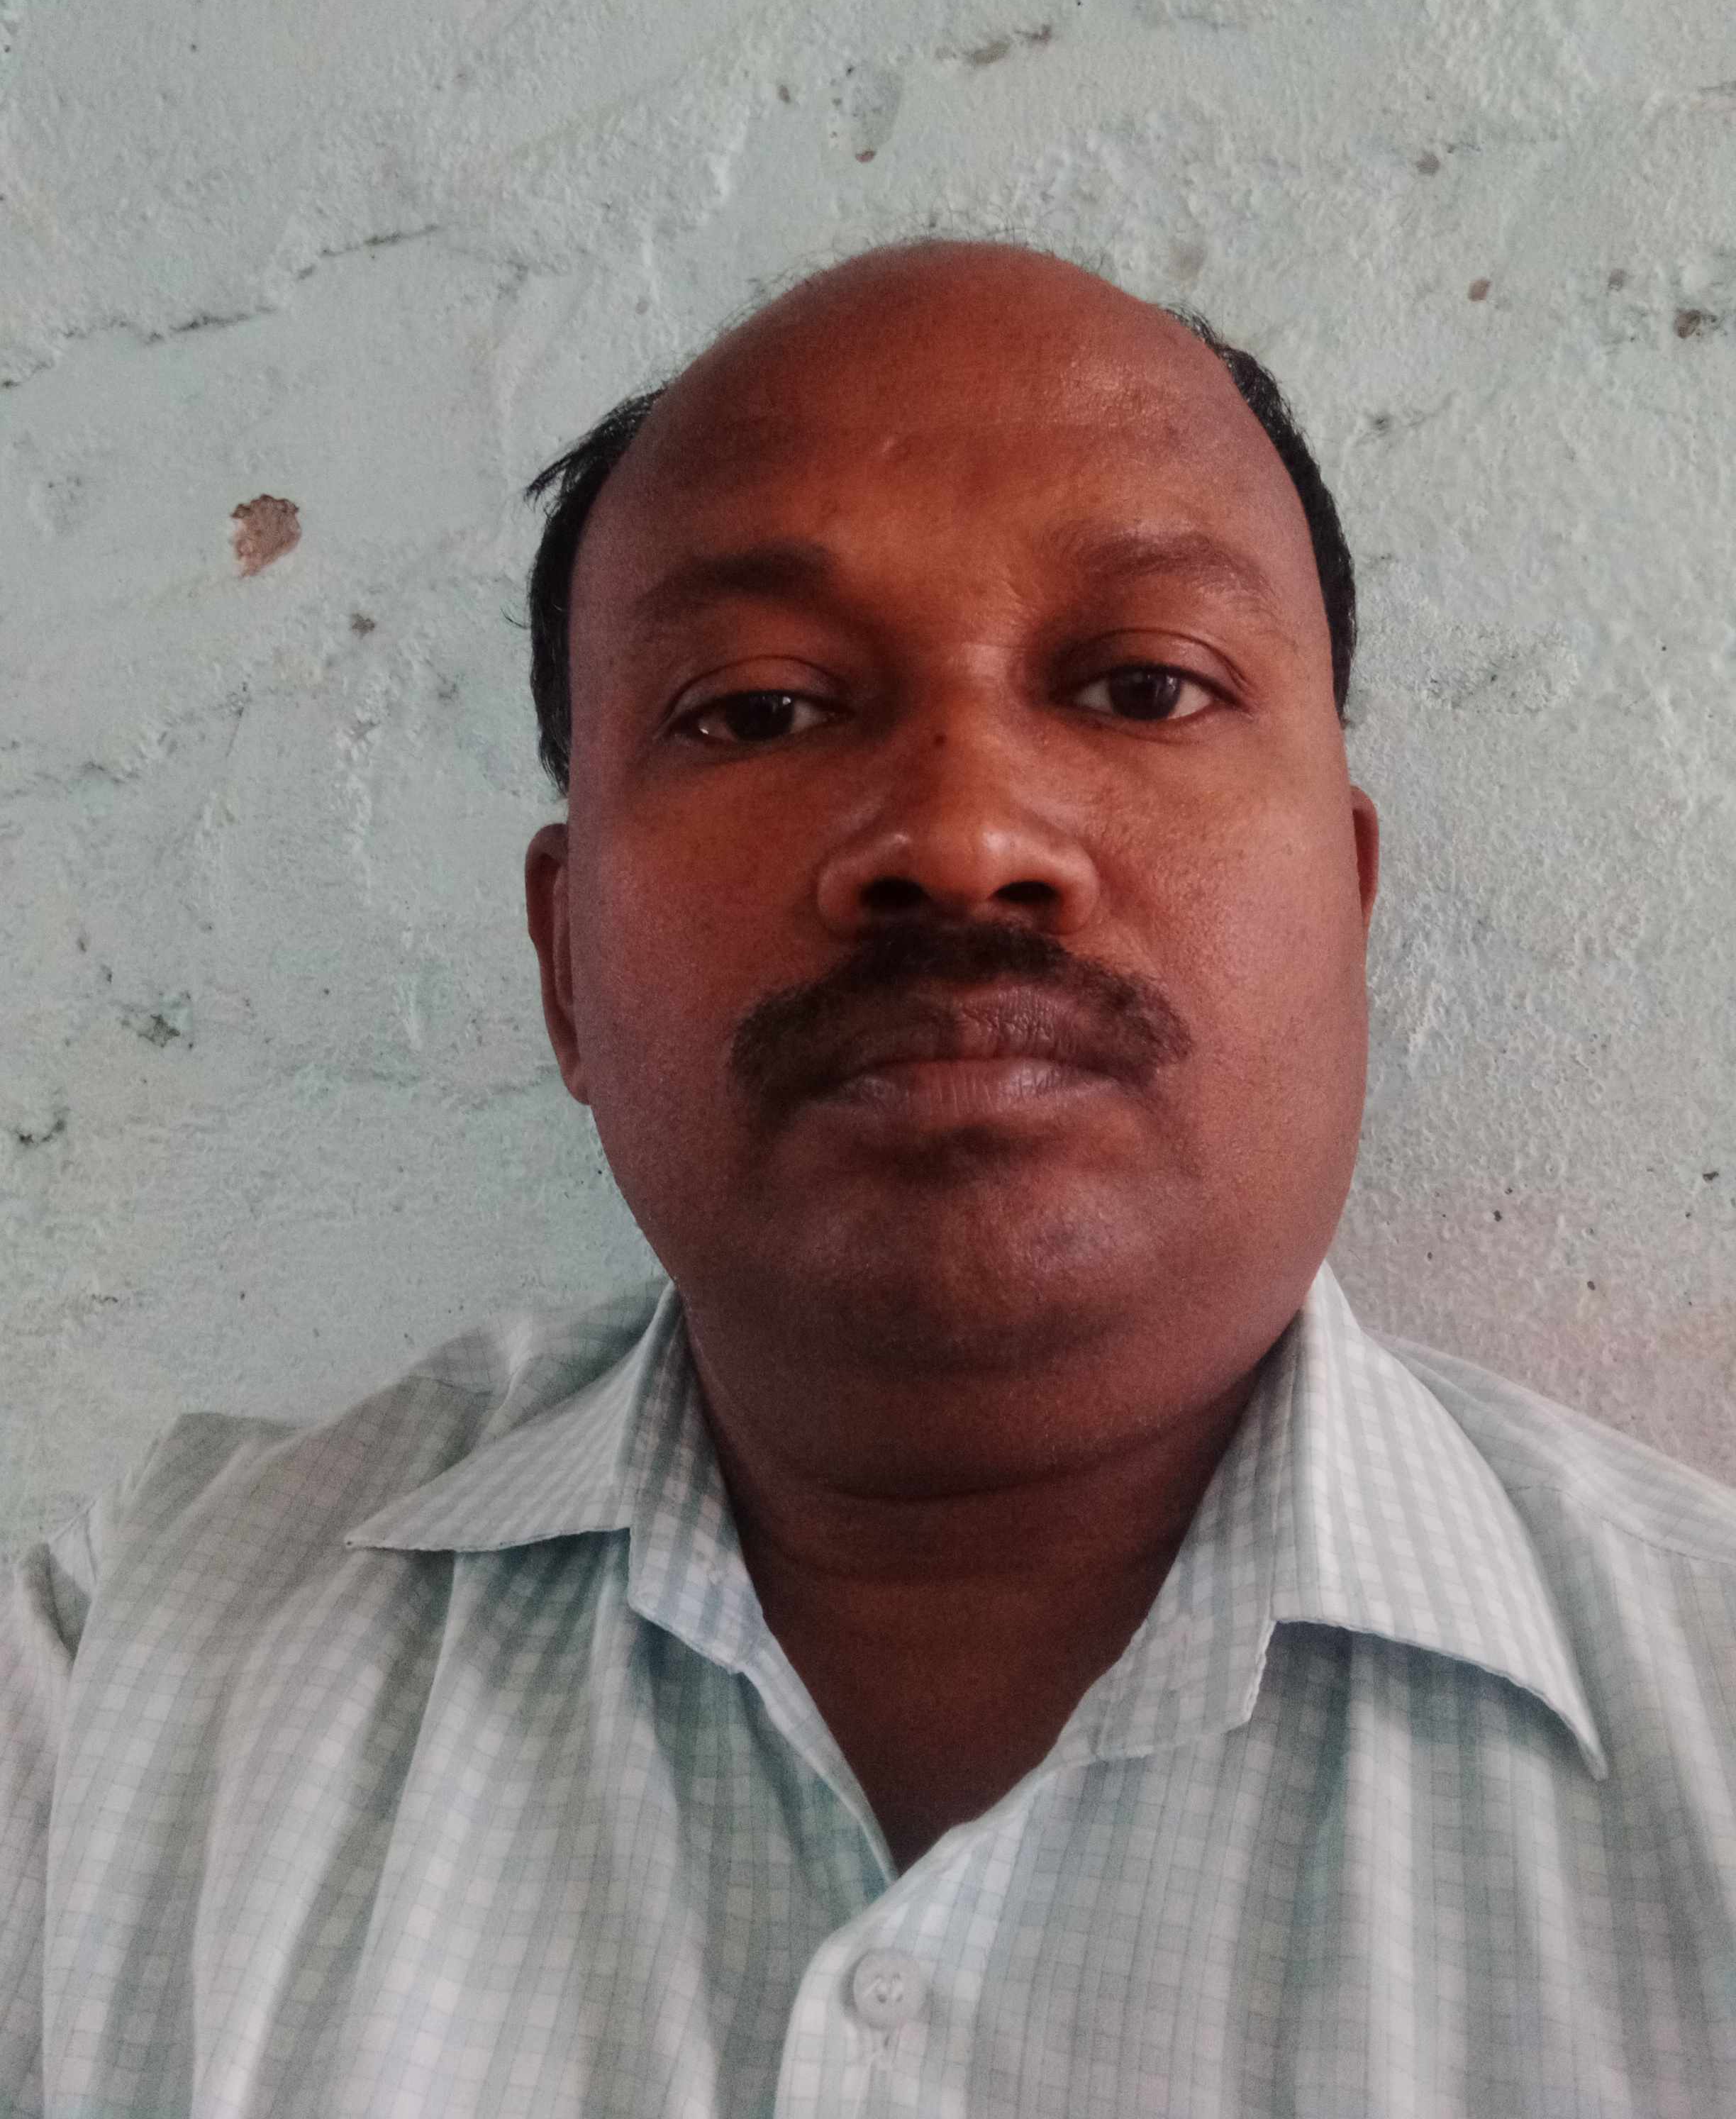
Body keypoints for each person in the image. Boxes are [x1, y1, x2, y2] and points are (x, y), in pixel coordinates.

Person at [3, 238, 1732, 2118]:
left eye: (1144, 684)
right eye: (758, 708)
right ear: (567, 964)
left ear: (1354, 901)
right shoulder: (116, 1707)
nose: (965, 836)